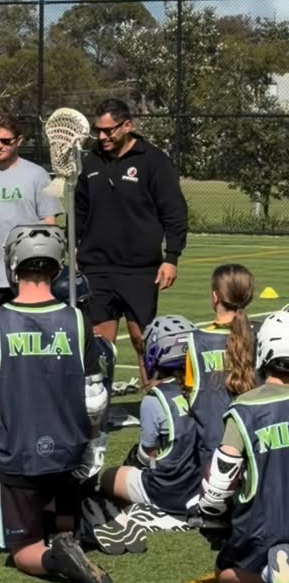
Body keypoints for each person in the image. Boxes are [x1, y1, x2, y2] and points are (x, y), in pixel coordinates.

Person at [0, 223, 115, 583]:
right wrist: (93, 443)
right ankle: (66, 542)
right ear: (57, 265)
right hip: (68, 453)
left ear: (14, 265)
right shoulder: (78, 320)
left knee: (23, 551)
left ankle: (55, 559)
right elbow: (93, 397)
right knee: (62, 528)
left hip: (17, 454)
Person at [74, 97, 188, 387]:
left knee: (142, 340)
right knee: (99, 342)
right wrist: (75, 246)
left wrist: (171, 257)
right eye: (98, 130)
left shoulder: (154, 161)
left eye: (108, 131)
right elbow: (80, 209)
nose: (102, 137)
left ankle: (154, 407)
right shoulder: (91, 160)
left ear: (127, 126)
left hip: (140, 269)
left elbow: (174, 212)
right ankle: (99, 410)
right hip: (96, 267)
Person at [197, 310, 289, 583]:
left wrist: (210, 513)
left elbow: (221, 481)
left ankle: (268, 573)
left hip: (262, 526)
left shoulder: (245, 407)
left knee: (224, 575)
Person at [100, 315, 201, 522]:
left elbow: (148, 456)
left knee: (109, 477)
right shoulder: (207, 391)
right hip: (202, 487)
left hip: (169, 493)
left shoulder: (155, 400)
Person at [0, 111, 62, 314]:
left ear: (19, 141)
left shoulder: (38, 175)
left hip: (29, 274)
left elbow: (50, 224)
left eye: (5, 140)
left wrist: (48, 268)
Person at [186, 264, 258, 470]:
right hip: (253, 442)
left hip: (212, 445)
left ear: (215, 296)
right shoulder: (258, 336)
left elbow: (190, 394)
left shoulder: (196, 341)